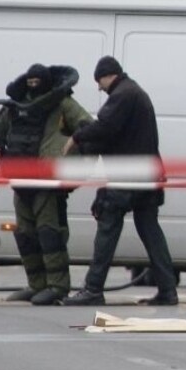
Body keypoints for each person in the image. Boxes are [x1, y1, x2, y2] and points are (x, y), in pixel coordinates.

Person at [62, 56, 177, 306]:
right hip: (147, 175)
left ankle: (93, 289)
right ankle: (168, 290)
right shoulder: (134, 92)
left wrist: (76, 137)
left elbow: (105, 128)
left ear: (108, 75)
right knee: (151, 233)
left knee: (107, 228)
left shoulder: (123, 95)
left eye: (99, 81)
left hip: (128, 176)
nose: (99, 87)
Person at [0, 63, 93, 305]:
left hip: (47, 181)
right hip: (20, 178)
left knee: (49, 233)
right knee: (25, 234)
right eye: (30, 81)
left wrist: (74, 158)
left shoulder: (62, 103)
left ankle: (57, 285)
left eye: (37, 81)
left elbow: (87, 126)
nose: (33, 85)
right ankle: (36, 284)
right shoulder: (15, 106)